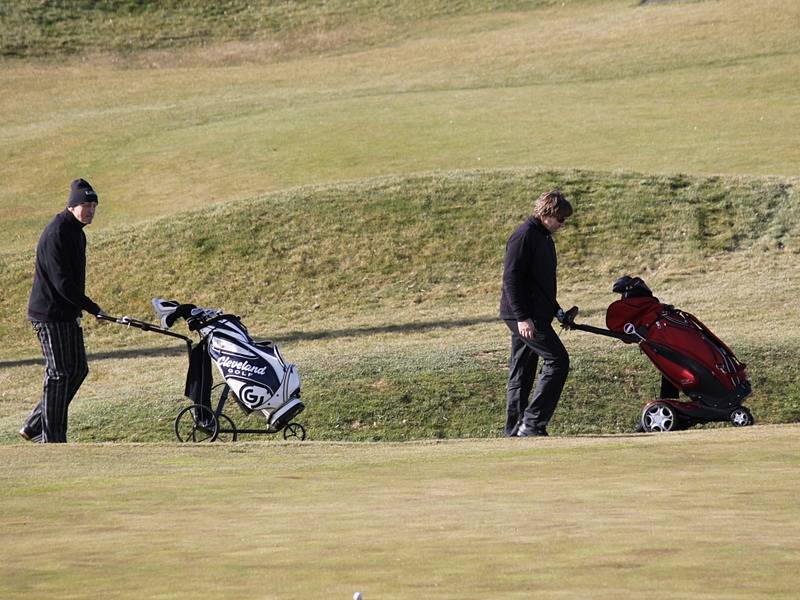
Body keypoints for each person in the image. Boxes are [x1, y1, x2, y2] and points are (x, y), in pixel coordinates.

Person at [19, 178, 105, 443]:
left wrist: (83, 308)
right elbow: (62, 283)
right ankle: (53, 439)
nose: (90, 209)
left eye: (93, 205)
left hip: (67, 312)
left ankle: (34, 425)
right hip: (49, 313)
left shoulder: (77, 232)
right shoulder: (57, 232)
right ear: (72, 206)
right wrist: (91, 307)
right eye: (85, 204)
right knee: (58, 373)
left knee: (77, 369)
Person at [499, 190, 573, 437]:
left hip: (536, 314)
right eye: (560, 219)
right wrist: (522, 317)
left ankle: (515, 431)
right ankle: (531, 423)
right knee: (558, 361)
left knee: (522, 372)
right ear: (546, 213)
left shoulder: (544, 237)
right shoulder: (524, 236)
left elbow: (540, 284)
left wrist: (556, 309)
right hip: (522, 316)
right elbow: (511, 279)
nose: (563, 225)